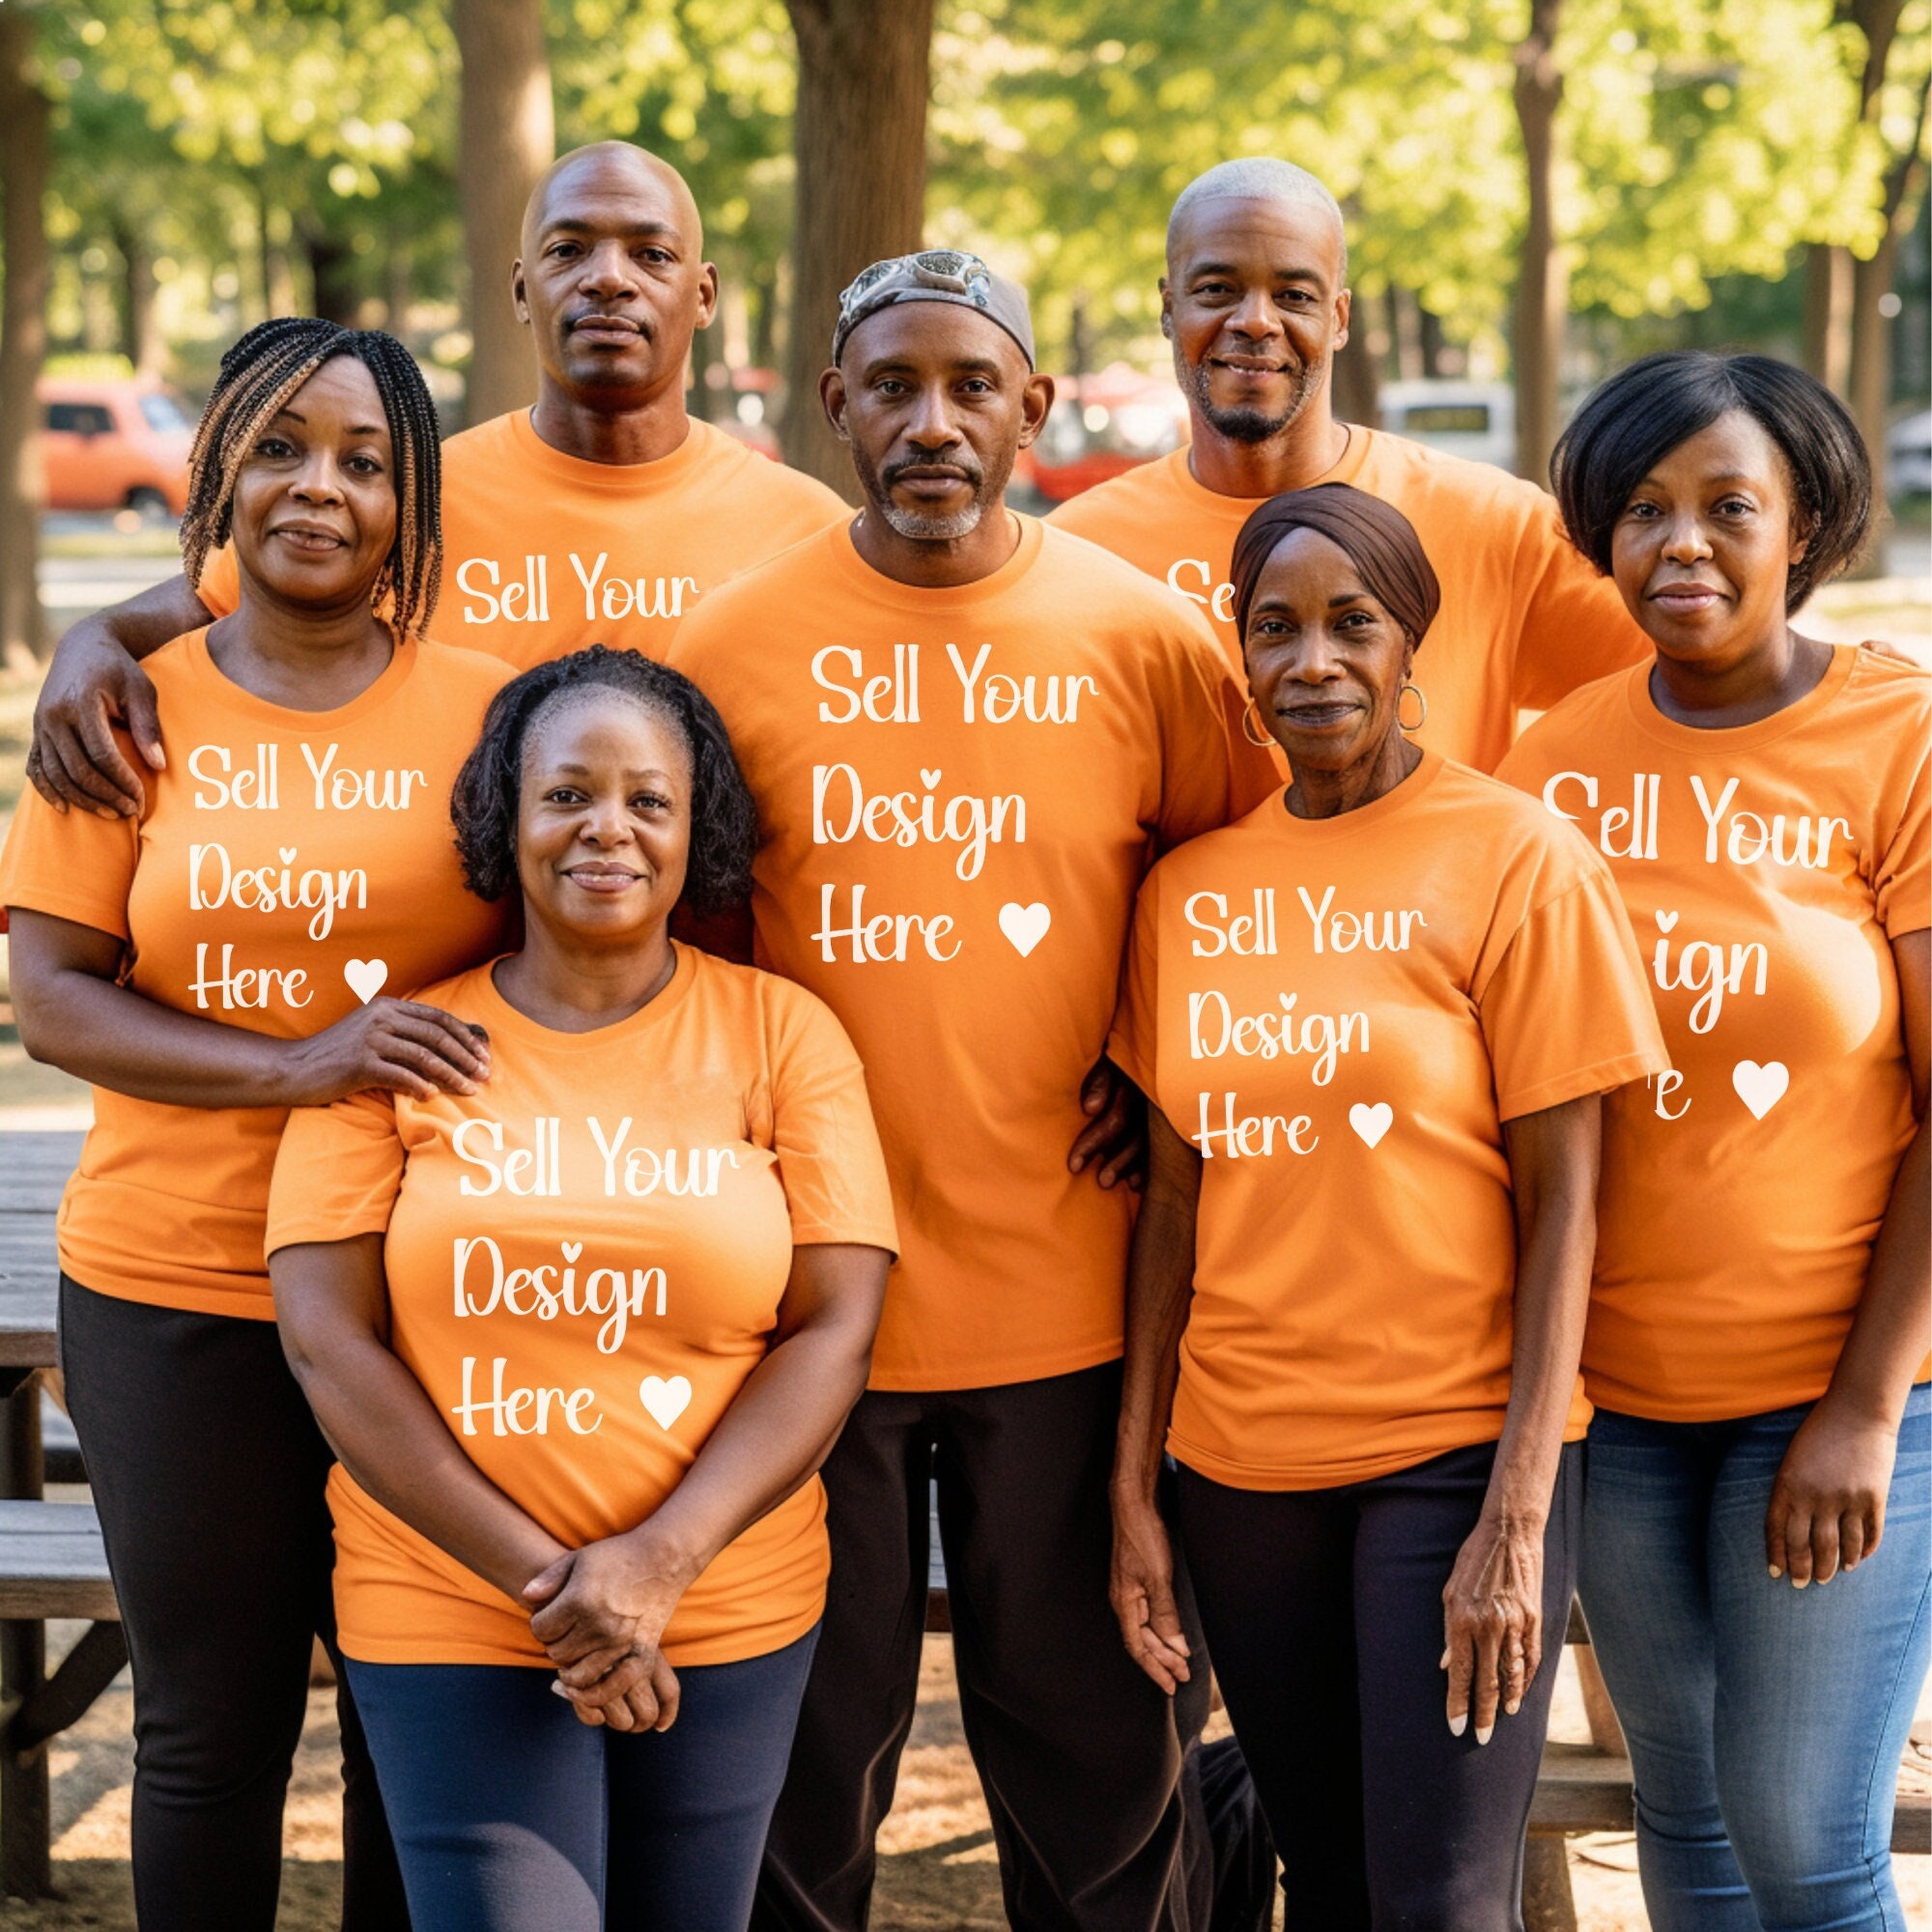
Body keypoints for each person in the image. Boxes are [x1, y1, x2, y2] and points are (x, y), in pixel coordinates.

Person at [666, 252, 1277, 1932]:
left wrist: (1147, 1066)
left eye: (970, 387)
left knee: (1101, 1774)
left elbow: (1242, 899)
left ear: (1034, 407)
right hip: (809, 1321)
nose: (932, 424)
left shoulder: (1145, 643)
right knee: (798, 1774)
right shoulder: (730, 650)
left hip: (1076, 1309)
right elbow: (686, 954)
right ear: (831, 405)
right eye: (892, 388)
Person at [0, 316, 514, 1930]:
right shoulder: (123, 714)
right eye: (282, 448)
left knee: (405, 1722)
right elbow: (55, 996)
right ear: (217, 472)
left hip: (418, 1296)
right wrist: (302, 1066)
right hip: (177, 1290)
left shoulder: (496, 720)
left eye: (367, 462)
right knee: (209, 1733)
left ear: (411, 508)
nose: (321, 487)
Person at [265, 646, 897, 1932]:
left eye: (648, 801)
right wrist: (564, 1593)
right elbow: (328, 1339)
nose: (606, 826)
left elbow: (836, 1327)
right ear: (508, 818)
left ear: (693, 831)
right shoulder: (405, 1045)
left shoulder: (784, 1036)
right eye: (566, 795)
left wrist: (657, 1567)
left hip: (724, 1600)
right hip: (449, 1598)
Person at [1107, 483, 1668, 1926]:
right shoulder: (1188, 893)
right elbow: (1171, 1209)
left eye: (1353, 624)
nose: (1313, 662)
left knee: (1443, 1903)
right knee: (1334, 1882)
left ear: (1413, 640)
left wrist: (1518, 1520)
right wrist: (1136, 1485)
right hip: (1239, 1471)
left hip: (1452, 1459)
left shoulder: (1516, 856)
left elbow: (1569, 1212)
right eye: (1274, 628)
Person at [1497, 353, 1930, 1932]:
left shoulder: (1900, 735)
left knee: (1808, 1848)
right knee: (1683, 1824)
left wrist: (1865, 1410)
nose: (1681, 543)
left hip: (1837, 1401)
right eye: (1641, 511)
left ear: (1802, 522)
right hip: (1617, 1410)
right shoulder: (1552, 762)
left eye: (1727, 507)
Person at [30, 140, 847, 816]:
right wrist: (89, 641)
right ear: (522, 292)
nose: (607, 277)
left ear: (702, 295)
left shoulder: (805, 525)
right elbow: (207, 607)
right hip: (446, 987)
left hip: (723, 994)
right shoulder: (408, 498)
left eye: (651, 253)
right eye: (568, 251)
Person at [1049, 157, 1650, 774]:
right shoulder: (1076, 554)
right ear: (1169, 307)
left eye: (1294, 295)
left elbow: (1708, 677)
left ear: (1337, 318)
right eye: (1216, 290)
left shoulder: (1496, 526)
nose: (1256, 320)